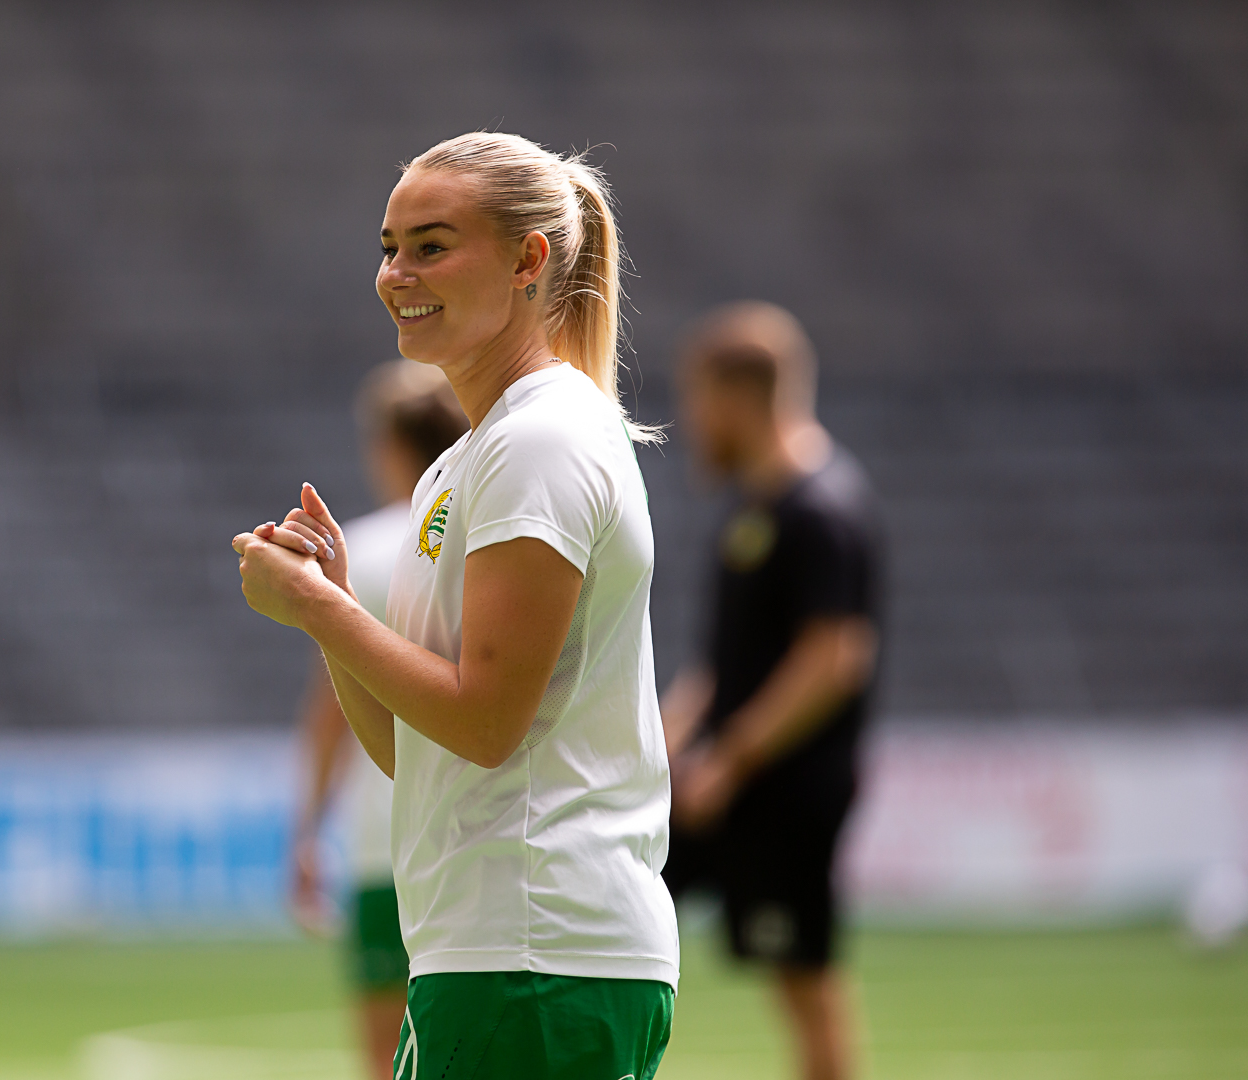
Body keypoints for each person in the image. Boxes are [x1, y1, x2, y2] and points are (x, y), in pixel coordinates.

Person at [234, 132, 677, 1079]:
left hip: (535, 953)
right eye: (389, 247)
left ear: (528, 260)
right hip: (496, 953)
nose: (396, 274)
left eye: (432, 246)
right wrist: (335, 607)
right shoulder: (471, 458)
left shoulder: (539, 440)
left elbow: (484, 723)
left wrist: (318, 611)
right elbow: (417, 752)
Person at [660, 302, 882, 1080]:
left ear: (737, 397)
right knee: (616, 912)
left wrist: (730, 759)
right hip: (716, 779)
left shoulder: (821, 507)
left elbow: (834, 658)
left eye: (697, 398)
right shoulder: (749, 506)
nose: (692, 419)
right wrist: (661, 743)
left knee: (802, 982)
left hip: (783, 787)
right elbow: (723, 663)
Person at [289, 359, 469, 1080]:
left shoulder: (361, 550)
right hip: (475, 830)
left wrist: (307, 828)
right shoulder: (482, 532)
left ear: (391, 446)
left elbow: (331, 711)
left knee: (388, 1054)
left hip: (385, 838)